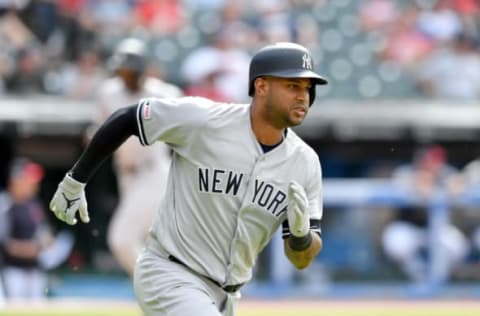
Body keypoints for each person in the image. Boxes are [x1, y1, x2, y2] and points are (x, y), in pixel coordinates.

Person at [49, 42, 327, 315]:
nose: (303, 96)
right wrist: (76, 180)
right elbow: (127, 118)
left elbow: (300, 259)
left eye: (307, 88)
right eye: (293, 86)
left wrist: (302, 238)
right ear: (261, 85)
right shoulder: (206, 121)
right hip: (171, 273)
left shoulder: (305, 163)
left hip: (227, 295)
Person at [92, 37, 183, 276]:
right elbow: (100, 128)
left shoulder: (163, 93)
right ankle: (162, 295)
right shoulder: (108, 92)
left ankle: (158, 287)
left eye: (130, 70)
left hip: (154, 172)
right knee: (148, 243)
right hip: (125, 175)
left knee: (122, 239)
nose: (125, 75)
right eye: (122, 70)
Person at [381, 145, 469, 283]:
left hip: (435, 228)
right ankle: (418, 277)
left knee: (457, 246)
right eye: (429, 161)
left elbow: (459, 184)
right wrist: (419, 186)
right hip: (409, 227)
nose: (433, 165)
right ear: (420, 161)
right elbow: (407, 185)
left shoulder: (444, 172)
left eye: (436, 162)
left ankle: (441, 281)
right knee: (395, 242)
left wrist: (450, 186)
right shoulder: (406, 172)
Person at [0, 157, 73, 299]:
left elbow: (44, 233)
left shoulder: (34, 205)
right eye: (29, 181)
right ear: (16, 180)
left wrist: (50, 245)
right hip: (11, 274)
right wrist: (35, 249)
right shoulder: (5, 204)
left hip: (36, 273)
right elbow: (5, 244)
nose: (34, 186)